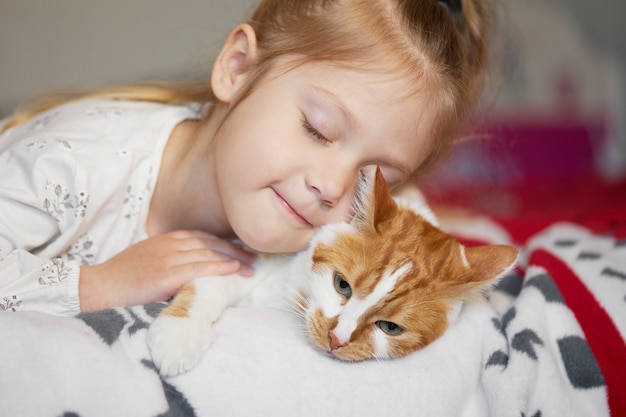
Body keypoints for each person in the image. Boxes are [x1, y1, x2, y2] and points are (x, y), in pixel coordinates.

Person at [0, 0, 495, 316]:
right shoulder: (70, 167)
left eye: (375, 179)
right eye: (317, 130)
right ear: (237, 69)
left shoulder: (330, 219)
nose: (333, 186)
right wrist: (99, 285)